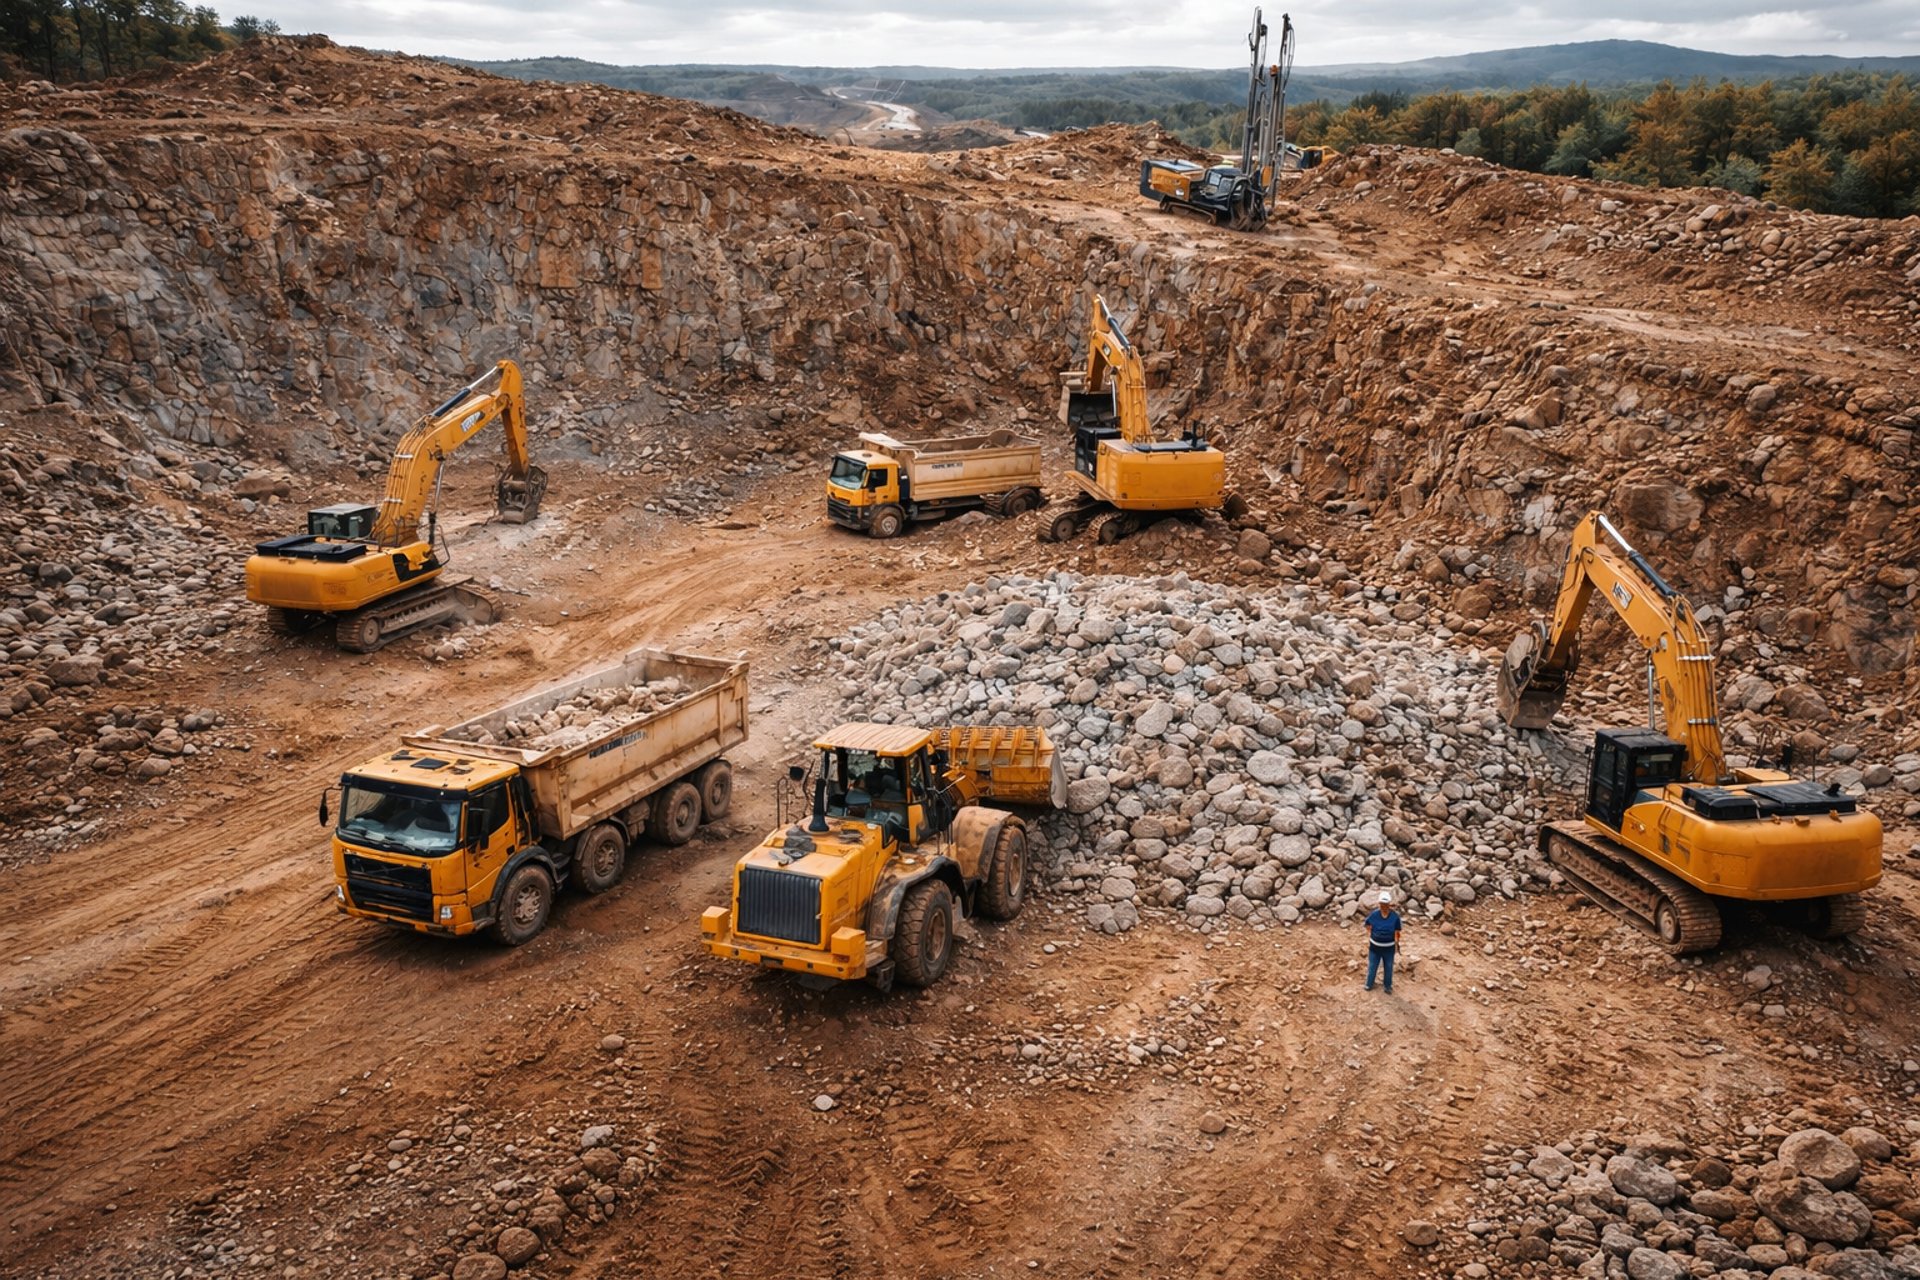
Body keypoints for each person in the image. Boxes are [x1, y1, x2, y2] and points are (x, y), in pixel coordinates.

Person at [1364, 890, 1402, 994]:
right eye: (1382, 904)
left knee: (1388, 967)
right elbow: (1367, 924)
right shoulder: (1374, 915)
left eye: (1386, 904)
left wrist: (1397, 943)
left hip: (1389, 948)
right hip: (1375, 947)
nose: (1384, 906)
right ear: (1379, 904)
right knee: (1372, 966)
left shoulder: (1395, 917)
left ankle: (1387, 986)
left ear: (1389, 904)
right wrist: (1373, 934)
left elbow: (1397, 931)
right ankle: (1369, 984)